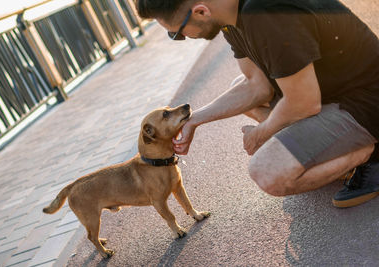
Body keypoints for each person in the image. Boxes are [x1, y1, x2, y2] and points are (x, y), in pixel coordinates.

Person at [135, 0, 379, 208]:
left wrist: (262, 133)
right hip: (332, 93)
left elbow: (304, 103)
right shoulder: (231, 17)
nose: (183, 38)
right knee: (239, 84)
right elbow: (256, 87)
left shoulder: (266, 15)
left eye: (177, 33)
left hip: (366, 102)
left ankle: (371, 152)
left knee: (267, 172)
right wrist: (194, 119)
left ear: (200, 12)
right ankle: (329, 145)